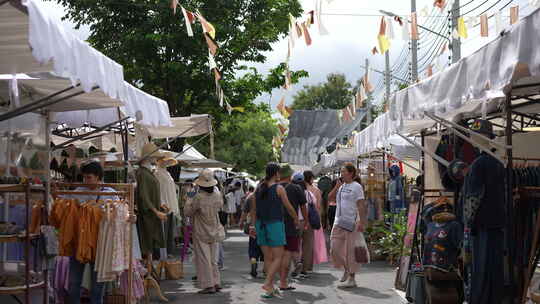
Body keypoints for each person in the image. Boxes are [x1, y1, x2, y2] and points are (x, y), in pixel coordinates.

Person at [63, 161, 122, 304]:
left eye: (88, 177)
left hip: (100, 244)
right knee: (73, 284)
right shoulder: (77, 192)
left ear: (98, 177)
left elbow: (120, 216)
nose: (85, 180)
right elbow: (68, 214)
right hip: (79, 243)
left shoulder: (111, 194)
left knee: (97, 289)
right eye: (84, 177)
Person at [250, 163, 299, 298]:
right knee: (278, 256)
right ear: (276, 174)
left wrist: (252, 226)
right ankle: (267, 283)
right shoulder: (279, 189)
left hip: (261, 225)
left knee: (268, 257)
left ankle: (270, 288)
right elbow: (289, 208)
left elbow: (253, 210)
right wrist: (296, 219)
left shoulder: (258, 188)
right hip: (274, 225)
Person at [184, 169, 225, 294]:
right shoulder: (217, 194)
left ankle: (208, 285)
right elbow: (220, 207)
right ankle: (216, 282)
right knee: (213, 259)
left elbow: (188, 212)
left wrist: (189, 198)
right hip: (215, 229)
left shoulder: (198, 196)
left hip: (201, 230)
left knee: (204, 259)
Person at [328, 162, 367, 288]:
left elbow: (361, 204)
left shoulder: (357, 187)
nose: (341, 174)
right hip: (338, 221)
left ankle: (352, 277)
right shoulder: (341, 186)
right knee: (334, 248)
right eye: (341, 171)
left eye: (344, 171)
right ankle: (346, 268)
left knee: (350, 251)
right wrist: (336, 187)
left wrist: (362, 222)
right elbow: (329, 198)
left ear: (351, 173)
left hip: (352, 222)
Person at [278, 166, 308, 291]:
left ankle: (272, 282)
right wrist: (305, 221)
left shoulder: (273, 188)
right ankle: (283, 282)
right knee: (288, 253)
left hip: (274, 225)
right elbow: (303, 207)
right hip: (291, 224)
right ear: (290, 176)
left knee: (276, 255)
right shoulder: (296, 188)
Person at [304, 170, 328, 271]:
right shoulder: (316, 190)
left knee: (303, 243)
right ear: (311, 178)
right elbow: (319, 208)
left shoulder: (300, 189)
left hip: (303, 219)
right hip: (314, 220)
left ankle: (302, 264)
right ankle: (310, 265)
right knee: (313, 243)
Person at [239, 185, 264, 278]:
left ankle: (253, 261)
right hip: (265, 225)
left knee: (253, 247)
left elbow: (244, 212)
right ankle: (266, 269)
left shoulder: (250, 197)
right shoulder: (267, 197)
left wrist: (241, 222)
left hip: (253, 225)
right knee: (265, 247)